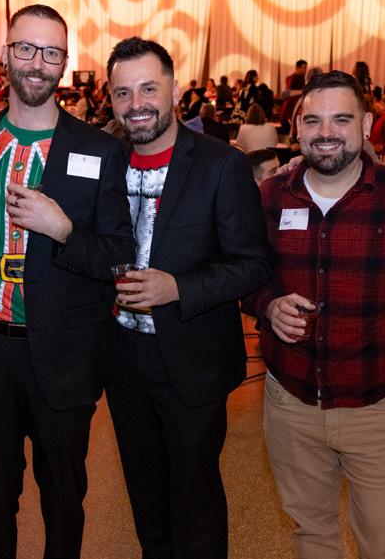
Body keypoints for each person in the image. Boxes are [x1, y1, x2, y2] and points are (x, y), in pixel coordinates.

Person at [0, 4, 134, 559]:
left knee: (63, 497)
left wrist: (63, 230)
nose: (37, 63)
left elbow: (119, 255)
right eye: (26, 49)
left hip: (62, 352)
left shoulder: (100, 149)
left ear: (64, 62)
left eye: (51, 52)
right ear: (6, 54)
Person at [106, 36, 270, 559]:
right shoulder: (106, 160)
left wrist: (177, 287)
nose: (137, 104)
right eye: (123, 93)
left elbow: (252, 265)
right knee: (144, 494)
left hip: (192, 359)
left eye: (149, 88)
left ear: (175, 90)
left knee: (195, 497)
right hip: (121, 359)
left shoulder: (221, 165)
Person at [244, 70, 385, 559]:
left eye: (341, 119)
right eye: (313, 120)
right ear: (297, 127)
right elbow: (249, 275)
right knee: (311, 534)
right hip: (291, 399)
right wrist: (268, 304)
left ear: (365, 124)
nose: (326, 132)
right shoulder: (270, 196)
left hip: (378, 405)